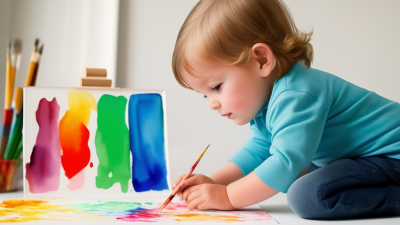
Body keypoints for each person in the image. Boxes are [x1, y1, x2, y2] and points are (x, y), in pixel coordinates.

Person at [170, 0, 400, 219]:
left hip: (392, 156)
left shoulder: (296, 94)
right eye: (205, 95)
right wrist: (214, 181)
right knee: (289, 175)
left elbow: (285, 162)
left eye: (216, 87)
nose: (212, 103)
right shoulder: (268, 101)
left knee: (307, 196)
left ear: (261, 60)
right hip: (363, 158)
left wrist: (227, 197)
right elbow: (258, 150)